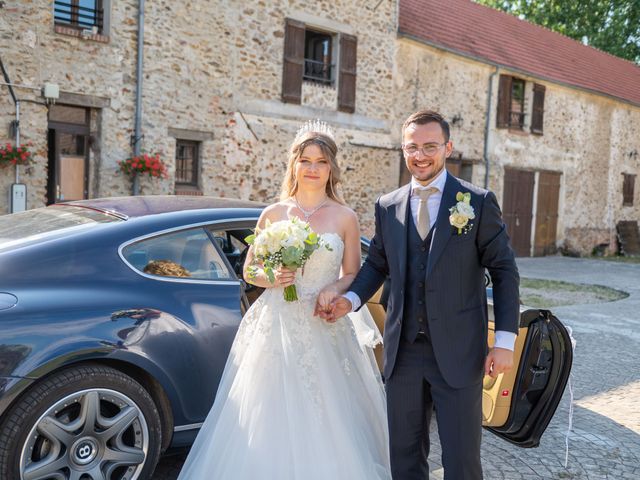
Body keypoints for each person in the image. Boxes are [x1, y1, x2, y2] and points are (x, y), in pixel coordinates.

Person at [177, 120, 391, 480]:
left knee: (328, 413)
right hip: (276, 325)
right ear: (294, 165)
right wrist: (272, 278)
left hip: (323, 323)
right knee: (266, 410)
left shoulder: (345, 217)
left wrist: (333, 290)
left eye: (320, 161)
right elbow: (250, 271)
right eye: (305, 160)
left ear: (331, 168)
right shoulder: (274, 214)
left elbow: (354, 273)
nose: (311, 168)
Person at [325, 109, 520, 479]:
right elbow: (377, 265)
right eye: (412, 147)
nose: (420, 155)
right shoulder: (388, 205)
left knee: (462, 460)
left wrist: (505, 341)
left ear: (448, 147)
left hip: (460, 352)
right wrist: (348, 301)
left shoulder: (476, 202)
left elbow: (505, 271)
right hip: (403, 353)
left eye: (430, 146)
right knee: (404, 456)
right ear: (403, 149)